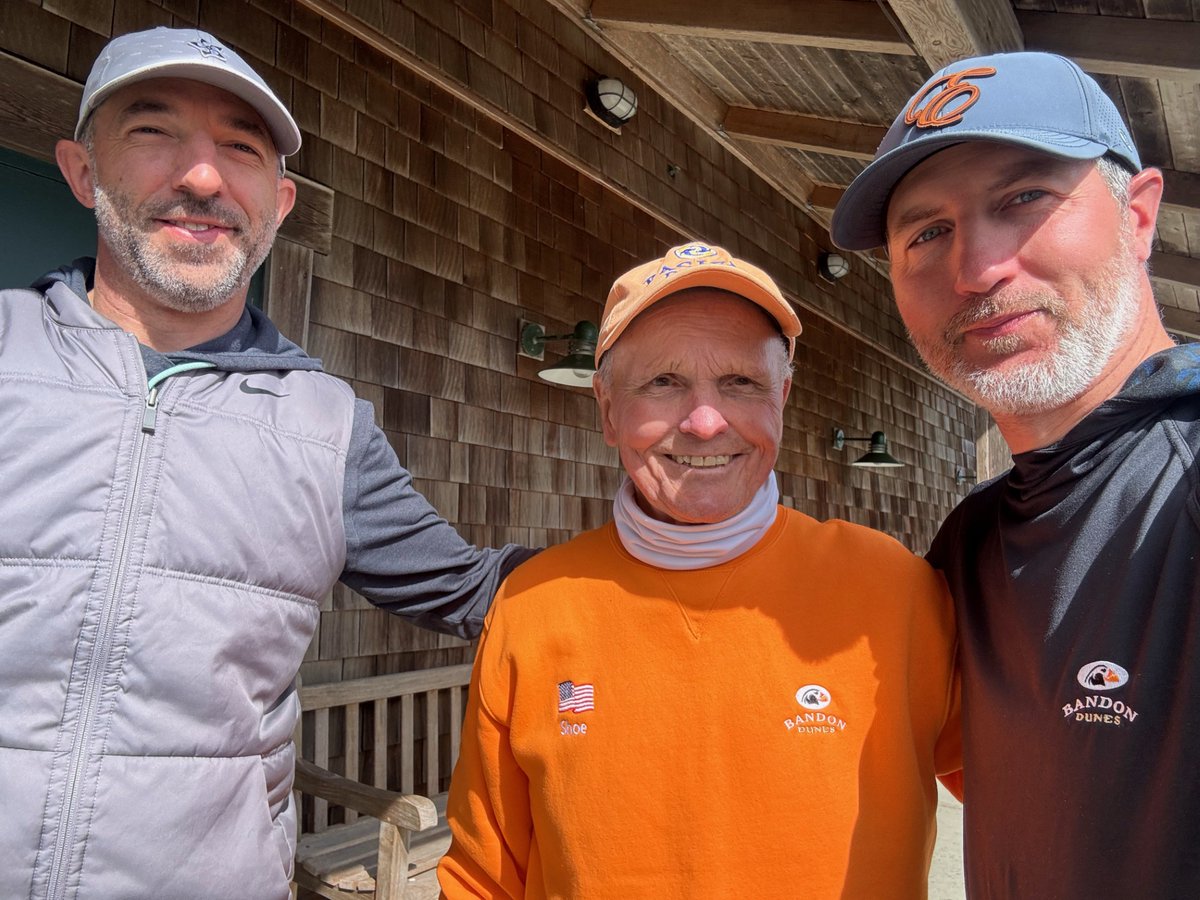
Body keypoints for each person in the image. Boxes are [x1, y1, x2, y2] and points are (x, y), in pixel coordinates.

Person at [0, 27, 535, 900]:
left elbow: (477, 590)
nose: (203, 177)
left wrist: (672, 556)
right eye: (153, 132)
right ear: (82, 171)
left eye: (240, 149)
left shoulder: (328, 428)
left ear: (279, 204)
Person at [438, 242, 961, 898]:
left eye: (740, 382)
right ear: (606, 409)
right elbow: (481, 879)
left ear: (783, 396)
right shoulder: (532, 605)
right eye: (663, 383)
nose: (706, 422)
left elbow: (1039, 795)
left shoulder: (896, 589)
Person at [831, 51, 1199, 896]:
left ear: (1139, 218)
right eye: (927, 233)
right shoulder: (971, 541)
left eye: (1024, 199)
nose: (976, 271)